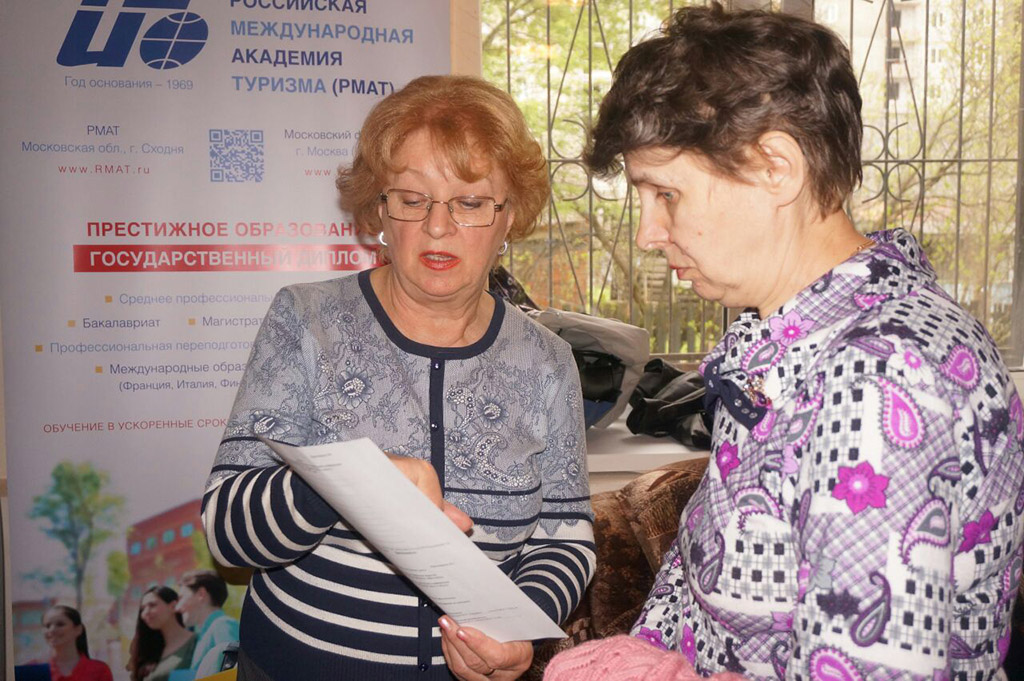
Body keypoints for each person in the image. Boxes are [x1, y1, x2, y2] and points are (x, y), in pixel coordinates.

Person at [563, 3, 1024, 679]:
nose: (648, 234)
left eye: (666, 194)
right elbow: (704, 578)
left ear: (776, 167)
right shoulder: (783, 346)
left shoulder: (880, 379)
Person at [202, 74, 595, 681]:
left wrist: (519, 627)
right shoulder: (306, 320)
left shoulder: (547, 361)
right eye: (413, 199)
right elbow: (227, 532)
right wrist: (347, 484)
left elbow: (564, 538)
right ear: (380, 208)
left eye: (470, 203)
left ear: (509, 217)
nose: (438, 227)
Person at [175, 570, 239, 674]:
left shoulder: (222, 625)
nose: (177, 608)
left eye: (181, 598)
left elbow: (234, 672)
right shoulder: (203, 635)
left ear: (201, 594)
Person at [132, 587, 196, 681]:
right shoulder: (149, 650)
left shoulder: (196, 643)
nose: (145, 612)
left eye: (152, 605)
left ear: (173, 606)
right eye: (143, 608)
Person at [42, 605, 113, 681]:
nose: (52, 630)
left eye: (60, 624)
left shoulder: (99, 671)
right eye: (47, 626)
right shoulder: (35, 670)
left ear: (78, 629)